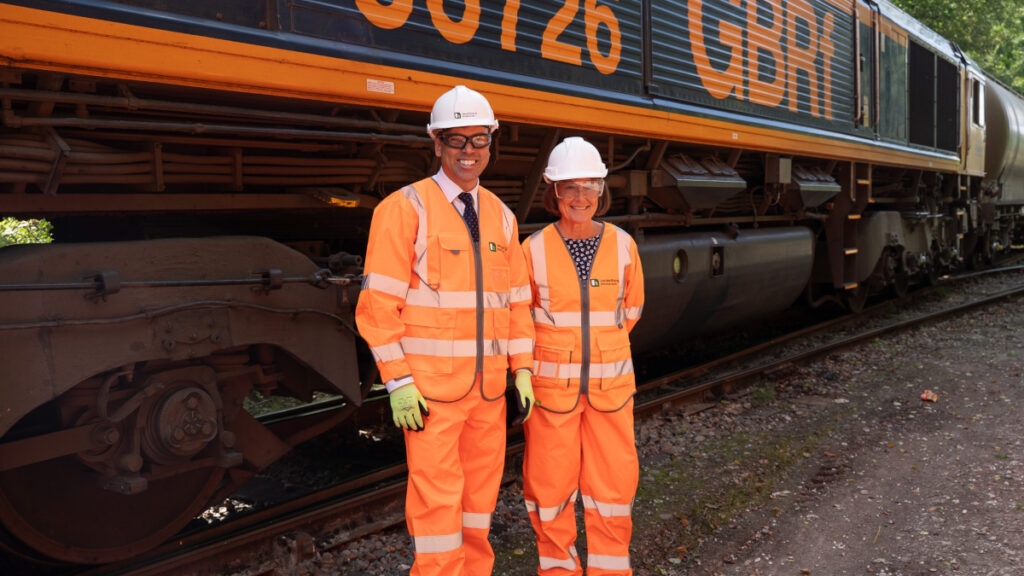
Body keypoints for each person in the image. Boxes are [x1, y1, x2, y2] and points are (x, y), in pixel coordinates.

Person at [355, 85, 535, 576]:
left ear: (490, 144)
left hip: (488, 392)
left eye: (479, 140)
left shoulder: (501, 215)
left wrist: (521, 371)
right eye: (457, 140)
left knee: (478, 508)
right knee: (437, 512)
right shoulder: (403, 208)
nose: (468, 151)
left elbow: (517, 303)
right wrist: (399, 382)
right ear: (436, 143)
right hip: (431, 396)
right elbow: (376, 307)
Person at [520, 136, 645, 575]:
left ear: (600, 191)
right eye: (568, 188)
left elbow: (629, 312)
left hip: (610, 393)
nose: (579, 197)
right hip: (552, 394)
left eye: (588, 186)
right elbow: (521, 317)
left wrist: (595, 354)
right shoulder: (532, 250)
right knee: (549, 490)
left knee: (611, 491)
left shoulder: (623, 245)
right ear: (553, 193)